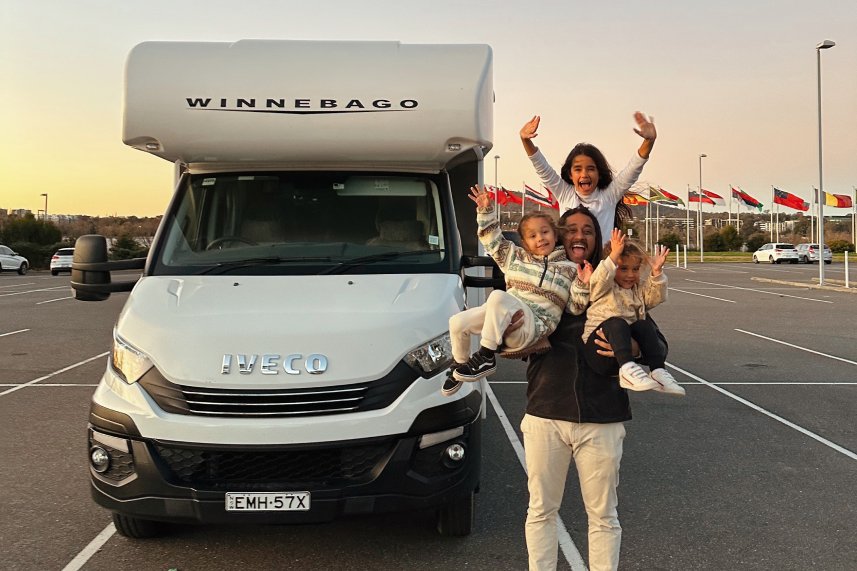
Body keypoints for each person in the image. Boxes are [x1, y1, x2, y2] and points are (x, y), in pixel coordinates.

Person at [519, 204, 671, 571]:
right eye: (570, 229)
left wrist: (633, 347)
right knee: (541, 510)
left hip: (603, 416)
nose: (579, 235)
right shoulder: (543, 285)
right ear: (558, 235)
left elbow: (658, 344)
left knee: (603, 515)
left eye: (588, 230)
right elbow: (514, 340)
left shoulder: (617, 287)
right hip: (545, 412)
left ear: (597, 238)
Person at [442, 186, 592, 397]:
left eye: (545, 232)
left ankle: (486, 355)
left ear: (555, 235)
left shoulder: (568, 269)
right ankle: (459, 368)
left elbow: (575, 307)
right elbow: (492, 240)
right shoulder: (515, 258)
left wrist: (583, 285)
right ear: (525, 243)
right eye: (532, 236)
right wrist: (485, 211)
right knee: (457, 322)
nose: (540, 238)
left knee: (497, 296)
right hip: (505, 317)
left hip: (534, 326)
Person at [520, 112, 656, 240]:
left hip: (602, 264)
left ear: (599, 174)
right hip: (570, 265)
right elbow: (543, 169)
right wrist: (526, 140)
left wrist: (649, 141)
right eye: (578, 169)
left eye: (591, 169)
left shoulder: (609, 196)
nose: (584, 174)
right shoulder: (565, 193)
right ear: (570, 174)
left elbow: (633, 169)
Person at [582, 228, 685, 396]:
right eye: (623, 269)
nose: (630, 275)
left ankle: (657, 370)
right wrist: (614, 255)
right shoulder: (605, 288)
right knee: (617, 323)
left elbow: (654, 297)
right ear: (613, 267)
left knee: (644, 325)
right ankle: (627, 369)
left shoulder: (636, 290)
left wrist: (657, 273)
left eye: (635, 269)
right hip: (598, 349)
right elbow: (599, 280)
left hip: (623, 351)